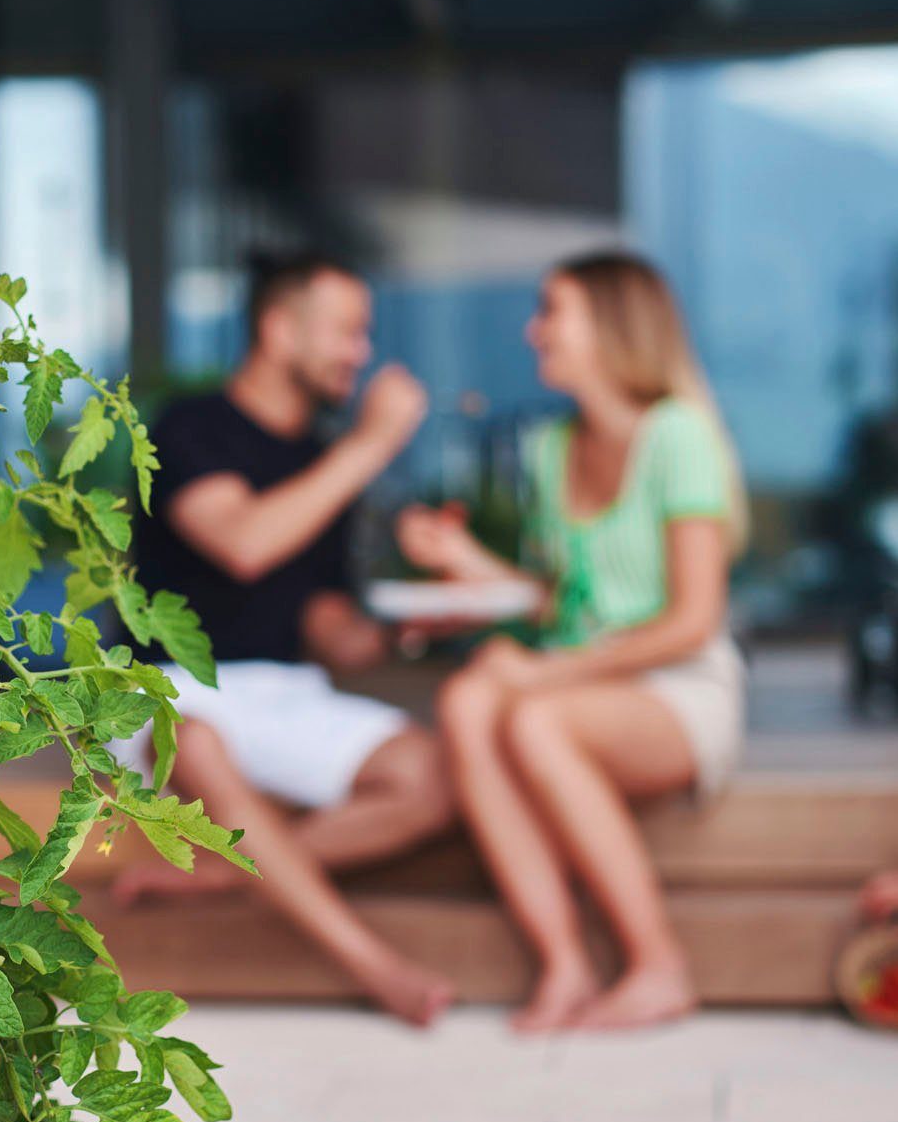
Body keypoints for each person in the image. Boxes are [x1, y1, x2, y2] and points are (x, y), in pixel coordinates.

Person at [399, 251, 746, 1033]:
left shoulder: (677, 436)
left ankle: (661, 966)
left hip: (680, 687)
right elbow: (570, 600)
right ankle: (563, 964)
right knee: (467, 697)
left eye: (552, 311)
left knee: (531, 716)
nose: (532, 330)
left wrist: (547, 671)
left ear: (612, 327)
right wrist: (469, 572)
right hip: (587, 679)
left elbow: (691, 619)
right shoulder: (552, 448)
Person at [118, 252, 455, 1026]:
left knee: (435, 773)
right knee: (196, 741)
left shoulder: (319, 460)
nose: (361, 353)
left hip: (285, 691)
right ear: (278, 329)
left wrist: (403, 629)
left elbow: (328, 629)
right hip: (169, 685)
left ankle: (221, 875)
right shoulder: (190, 426)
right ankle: (377, 966)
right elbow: (243, 541)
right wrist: (370, 445)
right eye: (348, 332)